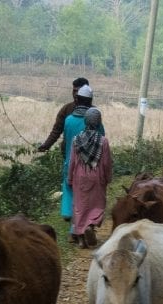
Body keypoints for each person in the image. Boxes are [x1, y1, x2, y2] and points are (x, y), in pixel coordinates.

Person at [59, 84, 105, 239]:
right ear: (91, 100)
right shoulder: (99, 127)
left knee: (76, 201)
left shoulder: (68, 120)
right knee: (93, 202)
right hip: (95, 170)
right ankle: (89, 225)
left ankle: (75, 229)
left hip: (73, 167)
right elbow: (104, 154)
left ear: (77, 99)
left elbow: (66, 145)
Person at [67, 107, 112, 248]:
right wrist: (107, 178)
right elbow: (106, 163)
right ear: (98, 122)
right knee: (96, 204)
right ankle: (90, 226)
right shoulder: (103, 141)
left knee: (80, 206)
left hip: (80, 176)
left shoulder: (76, 139)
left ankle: (80, 238)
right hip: (96, 176)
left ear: (85, 121)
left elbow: (72, 161)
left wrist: (70, 178)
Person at [37, 77, 89, 154]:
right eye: (74, 91)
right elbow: (57, 130)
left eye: (78, 91)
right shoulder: (66, 109)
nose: (75, 94)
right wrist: (46, 146)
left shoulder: (94, 112)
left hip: (88, 154)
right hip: (68, 153)